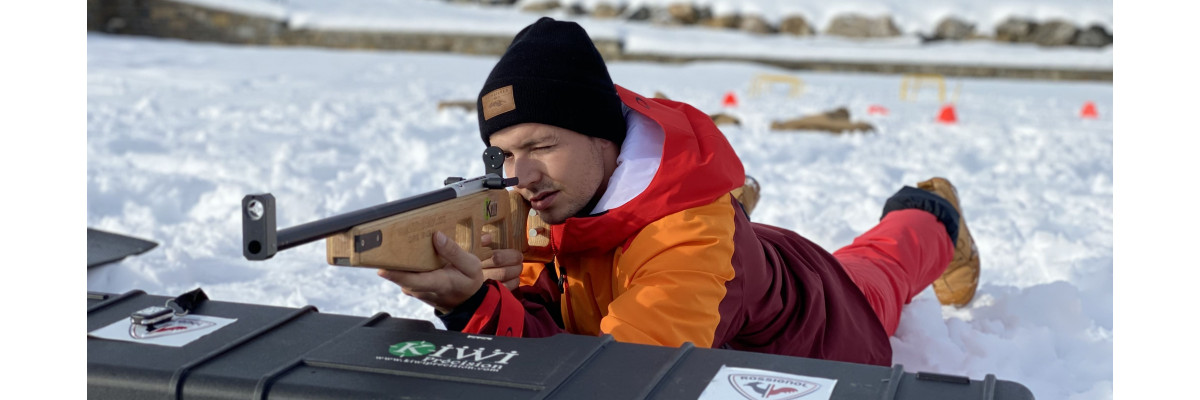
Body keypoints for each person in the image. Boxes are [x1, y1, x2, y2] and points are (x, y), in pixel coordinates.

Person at [378, 17, 980, 366]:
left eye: (541, 146)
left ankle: (931, 211)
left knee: (878, 269)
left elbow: (620, 378)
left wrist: (473, 309)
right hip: (710, 256)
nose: (522, 174)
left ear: (605, 139)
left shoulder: (690, 243)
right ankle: (727, 207)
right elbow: (548, 332)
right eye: (506, 154)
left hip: (815, 311)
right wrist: (481, 299)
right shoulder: (548, 197)